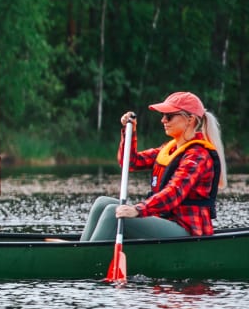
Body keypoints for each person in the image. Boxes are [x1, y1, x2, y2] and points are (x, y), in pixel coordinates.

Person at [81, 91, 225, 242]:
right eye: (163, 115)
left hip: (187, 230)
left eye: (169, 116)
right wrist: (129, 131)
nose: (163, 120)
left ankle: (85, 259)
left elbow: (174, 192)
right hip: (165, 219)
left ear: (189, 120)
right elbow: (129, 162)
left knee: (113, 213)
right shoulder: (171, 149)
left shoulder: (198, 155)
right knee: (102, 203)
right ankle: (80, 249)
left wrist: (138, 210)